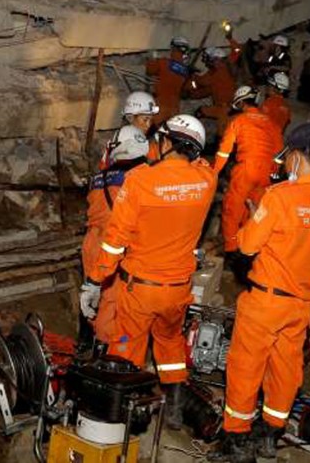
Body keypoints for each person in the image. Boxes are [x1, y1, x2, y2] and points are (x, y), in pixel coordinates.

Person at [211, 124, 310, 462]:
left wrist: (254, 216)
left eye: (288, 158)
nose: (286, 165)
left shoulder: (280, 198)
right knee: (286, 370)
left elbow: (246, 245)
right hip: (302, 303)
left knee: (246, 367)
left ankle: (235, 437)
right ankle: (271, 433)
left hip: (265, 299)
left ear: (298, 157)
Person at [93, 115, 217, 429]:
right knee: (170, 342)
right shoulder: (206, 181)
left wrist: (95, 279)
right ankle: (174, 408)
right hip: (177, 289)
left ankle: (127, 417)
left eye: (159, 139)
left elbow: (114, 242)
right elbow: (204, 164)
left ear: (167, 143)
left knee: (126, 347)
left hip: (140, 288)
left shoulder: (140, 180)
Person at [80, 124, 152, 343]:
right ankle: (110, 353)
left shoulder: (100, 176)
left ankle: (90, 343)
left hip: (92, 242)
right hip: (116, 245)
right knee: (113, 303)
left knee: (93, 297)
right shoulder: (142, 177)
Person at [215, 86, 283, 256]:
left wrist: (213, 172)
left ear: (240, 103)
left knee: (233, 208)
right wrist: (274, 172)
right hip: (266, 172)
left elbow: (224, 151)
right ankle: (249, 247)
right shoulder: (271, 123)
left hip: (246, 168)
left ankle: (231, 249)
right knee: (254, 210)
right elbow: (280, 152)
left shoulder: (239, 120)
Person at [190, 47, 237, 135]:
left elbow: (202, 81)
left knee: (223, 133)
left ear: (217, 59)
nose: (208, 62)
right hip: (225, 107)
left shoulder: (217, 72)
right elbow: (207, 90)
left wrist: (192, 76)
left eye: (211, 59)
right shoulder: (224, 69)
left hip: (225, 109)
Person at [146, 37, 191, 124]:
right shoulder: (186, 71)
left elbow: (149, 70)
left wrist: (151, 59)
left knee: (152, 130)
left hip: (160, 105)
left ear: (173, 48)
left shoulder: (163, 62)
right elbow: (187, 91)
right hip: (175, 108)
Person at [288, 22, 310, 99]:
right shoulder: (291, 35)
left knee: (295, 77)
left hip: (298, 60)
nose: (301, 26)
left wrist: (303, 58)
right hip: (288, 58)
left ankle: (292, 96)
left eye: (304, 24)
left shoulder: (308, 37)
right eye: (300, 24)